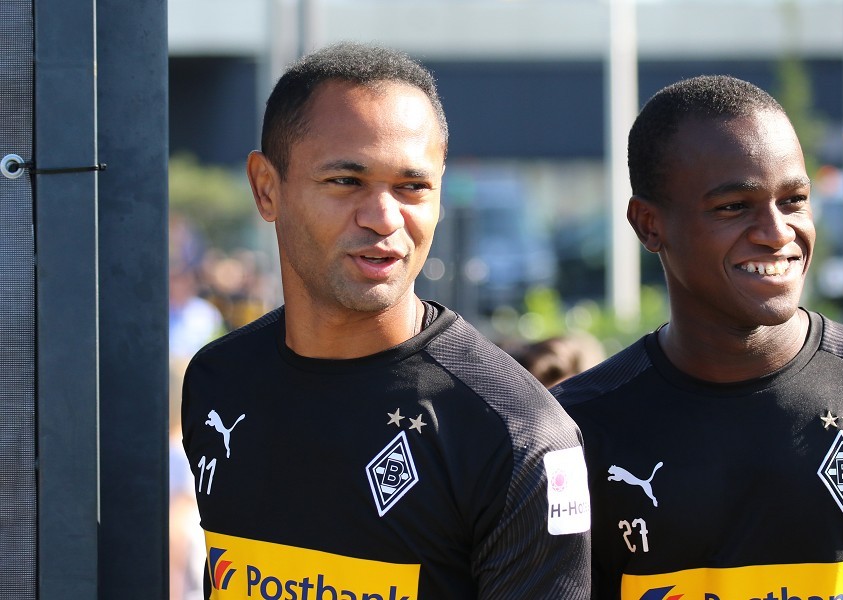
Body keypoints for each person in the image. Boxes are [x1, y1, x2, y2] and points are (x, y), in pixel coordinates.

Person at [181, 42, 591, 599]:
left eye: (412, 187)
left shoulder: (518, 435)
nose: (383, 218)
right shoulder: (219, 380)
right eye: (346, 181)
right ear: (266, 188)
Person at [553, 75, 843, 599]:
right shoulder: (574, 429)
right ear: (649, 225)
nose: (777, 232)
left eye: (794, 200)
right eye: (734, 206)